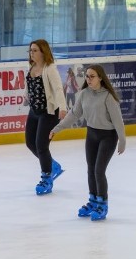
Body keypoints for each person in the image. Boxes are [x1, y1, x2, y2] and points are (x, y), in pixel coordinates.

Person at [49, 64, 125, 221]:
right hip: (92, 135)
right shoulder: (83, 94)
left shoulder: (108, 97)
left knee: (99, 170)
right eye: (87, 76)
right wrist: (57, 128)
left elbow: (118, 120)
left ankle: (102, 204)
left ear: (100, 78)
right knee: (91, 170)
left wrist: (122, 140)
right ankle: (92, 201)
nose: (89, 79)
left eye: (92, 76)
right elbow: (73, 114)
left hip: (108, 136)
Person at [24, 39, 68, 195]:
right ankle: (52, 165)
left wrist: (63, 108)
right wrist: (26, 97)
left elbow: (58, 89)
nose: (32, 53)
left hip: (49, 112)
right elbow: (29, 85)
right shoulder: (31, 66)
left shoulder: (50, 69)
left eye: (35, 50)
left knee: (41, 145)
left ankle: (46, 178)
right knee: (30, 143)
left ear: (43, 52)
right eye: (30, 50)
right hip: (34, 110)